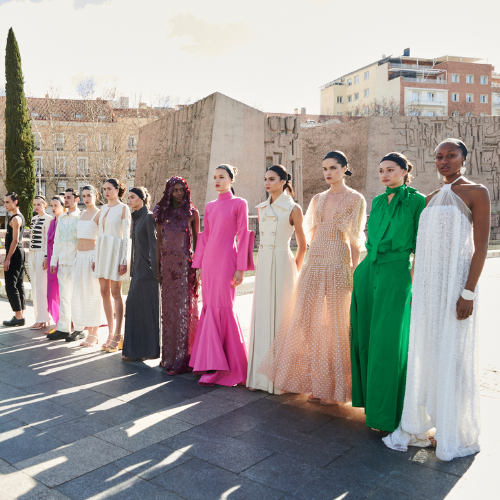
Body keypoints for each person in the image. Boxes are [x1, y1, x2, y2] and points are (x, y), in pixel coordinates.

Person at [383, 139, 490, 461]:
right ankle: (424, 423)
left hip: (456, 285)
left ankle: (451, 430)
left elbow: (480, 247)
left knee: (452, 356)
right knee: (427, 352)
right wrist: (415, 290)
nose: (444, 161)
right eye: (439, 156)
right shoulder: (429, 199)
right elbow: (422, 251)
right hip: (428, 289)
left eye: (451, 155)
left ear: (464, 158)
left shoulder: (476, 192)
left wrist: (467, 293)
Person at [259, 152, 366, 404]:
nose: (328, 172)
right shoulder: (317, 199)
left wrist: (354, 270)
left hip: (339, 263)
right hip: (314, 264)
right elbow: (310, 234)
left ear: (344, 169)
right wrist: (304, 264)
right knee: (307, 322)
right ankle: (314, 384)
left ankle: (336, 389)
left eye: (333, 168)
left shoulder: (356, 199)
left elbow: (354, 239)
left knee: (337, 325)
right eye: (324, 168)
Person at [350, 152, 425, 431]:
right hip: (369, 270)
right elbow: (370, 237)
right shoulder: (378, 200)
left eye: (391, 170)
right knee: (366, 337)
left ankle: (389, 414)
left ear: (405, 171)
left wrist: (413, 284)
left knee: (388, 342)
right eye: (381, 170)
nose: (384, 175)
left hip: (396, 272)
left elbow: (420, 247)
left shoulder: (417, 201)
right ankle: (372, 408)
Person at [189, 164, 254, 386]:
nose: (217, 180)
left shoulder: (240, 203)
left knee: (224, 308)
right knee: (209, 307)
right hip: (209, 263)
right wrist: (198, 266)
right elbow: (205, 236)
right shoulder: (209, 206)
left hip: (227, 260)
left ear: (231, 179)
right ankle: (209, 362)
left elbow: (244, 234)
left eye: (222, 177)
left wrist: (241, 268)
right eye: (215, 177)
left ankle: (230, 367)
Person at [247, 165, 306, 393]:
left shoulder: (293, 208)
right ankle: (259, 379)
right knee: (262, 316)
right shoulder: (261, 208)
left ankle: (282, 380)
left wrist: (294, 271)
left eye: (272, 179)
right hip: (264, 265)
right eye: (265, 179)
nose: (267, 183)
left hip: (284, 265)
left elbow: (302, 245)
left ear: (283, 181)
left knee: (283, 318)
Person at [153, 177, 199, 374]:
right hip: (166, 266)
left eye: (182, 190)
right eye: (175, 190)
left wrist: (198, 270)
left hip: (184, 268)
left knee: (183, 312)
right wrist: (157, 268)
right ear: (169, 192)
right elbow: (159, 243)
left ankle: (183, 360)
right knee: (168, 313)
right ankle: (169, 357)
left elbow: (198, 245)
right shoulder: (161, 213)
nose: (179, 193)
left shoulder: (192, 213)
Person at [92, 178, 131, 353]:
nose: (106, 192)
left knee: (116, 293)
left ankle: (118, 334)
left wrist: (124, 260)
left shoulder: (124, 208)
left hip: (117, 253)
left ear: (118, 190)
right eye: (104, 189)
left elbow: (127, 237)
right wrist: (94, 257)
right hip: (101, 252)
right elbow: (98, 233)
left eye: (109, 189)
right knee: (104, 292)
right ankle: (109, 332)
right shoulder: (103, 208)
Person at [122, 187, 160, 361]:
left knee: (139, 307)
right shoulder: (136, 218)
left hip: (147, 273)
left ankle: (141, 351)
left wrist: (155, 273)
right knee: (135, 308)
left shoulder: (149, 217)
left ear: (142, 199)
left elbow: (154, 246)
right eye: (128, 197)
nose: (129, 200)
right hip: (138, 269)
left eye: (132, 197)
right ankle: (137, 351)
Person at [48, 188, 82, 340]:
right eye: (65, 197)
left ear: (76, 199)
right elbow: (57, 241)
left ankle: (80, 329)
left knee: (76, 296)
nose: (66, 200)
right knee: (64, 296)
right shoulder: (61, 218)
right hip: (62, 262)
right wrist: (54, 260)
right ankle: (63, 328)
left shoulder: (81, 217)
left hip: (76, 262)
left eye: (69, 197)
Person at [71, 186, 102, 346]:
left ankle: (94, 333)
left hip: (91, 257)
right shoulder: (82, 214)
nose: (86, 198)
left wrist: (96, 258)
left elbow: (101, 238)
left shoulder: (99, 213)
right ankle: (85, 329)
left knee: (93, 294)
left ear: (95, 196)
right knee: (80, 294)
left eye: (89, 195)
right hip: (79, 258)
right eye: (83, 195)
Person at [28, 195, 53, 330]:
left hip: (41, 255)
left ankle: (42, 319)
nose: (36, 207)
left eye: (39, 204)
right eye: (34, 204)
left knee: (41, 288)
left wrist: (45, 257)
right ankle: (40, 317)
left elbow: (47, 240)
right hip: (32, 254)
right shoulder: (33, 218)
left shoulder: (48, 219)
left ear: (45, 205)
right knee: (35, 287)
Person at [2, 193, 26, 327]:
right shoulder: (18, 216)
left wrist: (7, 259)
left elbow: (15, 240)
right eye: (4, 202)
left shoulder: (16, 219)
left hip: (15, 253)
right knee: (19, 284)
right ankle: (20, 314)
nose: (5, 205)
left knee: (11, 285)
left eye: (7, 202)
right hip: (19, 253)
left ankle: (18, 316)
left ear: (15, 202)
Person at [45, 196, 65, 334]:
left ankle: (61, 324)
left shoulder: (64, 221)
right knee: (51, 294)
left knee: (62, 293)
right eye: (51, 205)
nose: (53, 208)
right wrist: (47, 257)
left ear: (63, 206)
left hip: (62, 259)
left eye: (56, 205)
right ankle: (58, 321)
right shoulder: (52, 221)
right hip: (52, 260)